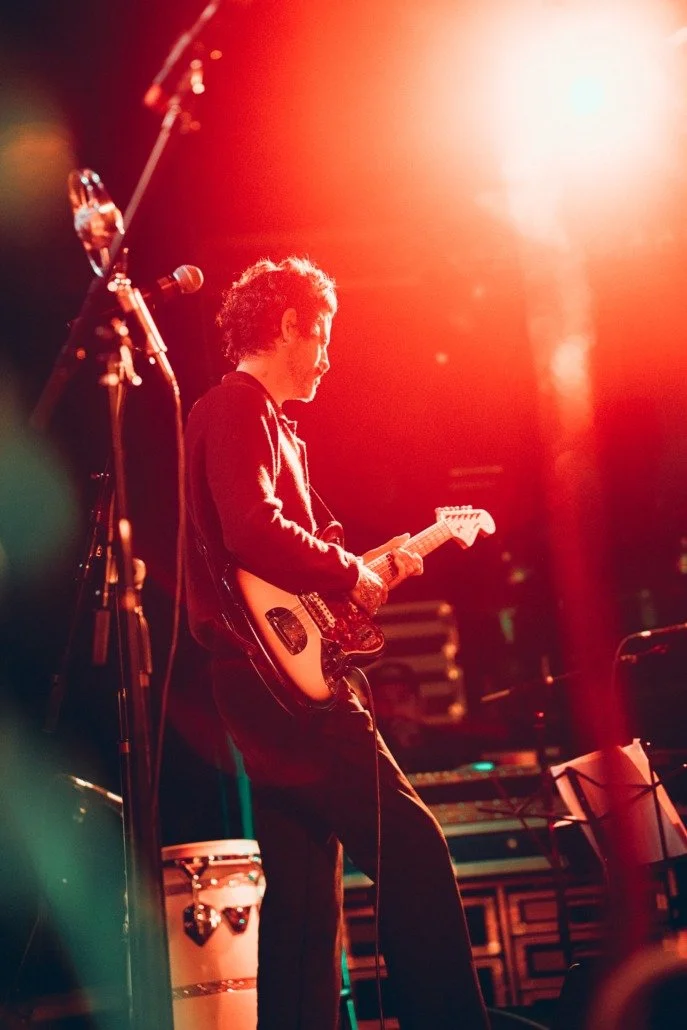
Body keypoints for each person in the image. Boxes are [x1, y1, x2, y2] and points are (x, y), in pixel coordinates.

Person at [184, 256, 490, 1030]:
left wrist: (364, 571)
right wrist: (345, 568)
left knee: (300, 905)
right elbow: (250, 527)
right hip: (289, 693)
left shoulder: (269, 424)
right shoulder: (236, 407)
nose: (327, 356)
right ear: (290, 324)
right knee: (413, 853)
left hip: (266, 684)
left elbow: (301, 569)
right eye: (322, 335)